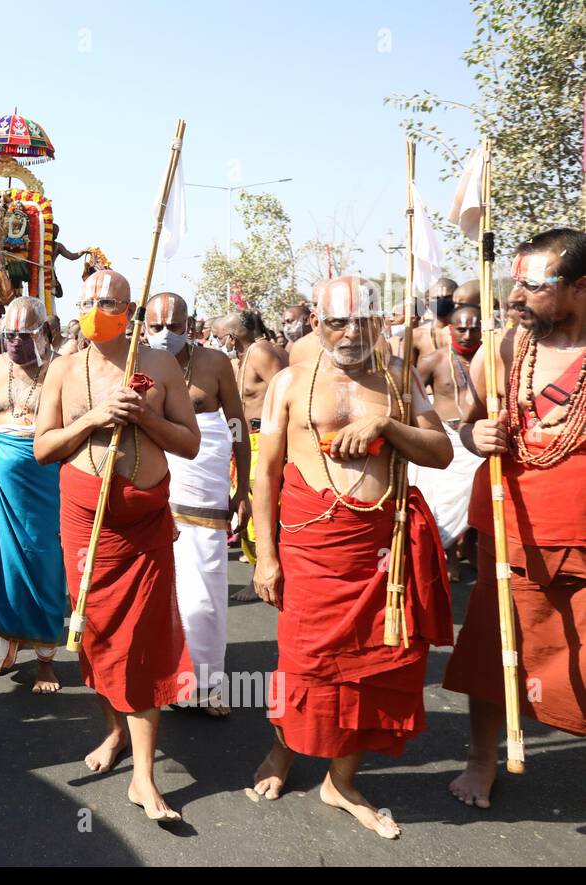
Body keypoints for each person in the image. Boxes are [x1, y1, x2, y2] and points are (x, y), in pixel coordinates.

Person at [250, 275, 453, 839]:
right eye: (336, 321)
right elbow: (265, 473)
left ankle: (340, 780)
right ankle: (285, 749)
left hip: (381, 552)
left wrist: (388, 424)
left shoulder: (398, 379)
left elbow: (440, 451)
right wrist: (266, 556)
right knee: (305, 661)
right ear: (316, 322)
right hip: (313, 546)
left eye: (360, 319)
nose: (348, 333)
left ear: (378, 321)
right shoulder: (289, 383)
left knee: (374, 665)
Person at [34, 269, 200, 822]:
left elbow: (192, 443)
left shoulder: (158, 365)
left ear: (129, 309)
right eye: (85, 301)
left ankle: (144, 778)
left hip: (145, 522)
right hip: (86, 520)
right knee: (98, 636)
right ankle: (114, 733)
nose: (93, 308)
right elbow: (43, 448)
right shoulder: (63, 368)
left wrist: (145, 417)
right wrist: (91, 419)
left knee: (144, 642)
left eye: (106, 301)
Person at [444, 229, 586, 808]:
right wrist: (473, 435)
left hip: (579, 531)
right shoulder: (501, 351)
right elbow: (464, 425)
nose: (514, 297)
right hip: (510, 529)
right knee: (495, 648)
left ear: (580, 286)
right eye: (514, 283)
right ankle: (483, 758)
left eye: (532, 284)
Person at [145, 293, 249, 715]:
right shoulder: (137, 361)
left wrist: (243, 489)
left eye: (174, 326)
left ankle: (206, 683)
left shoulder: (214, 364)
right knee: (156, 591)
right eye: (155, 326)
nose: (165, 334)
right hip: (153, 491)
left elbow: (237, 424)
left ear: (192, 326)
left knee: (203, 595)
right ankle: (158, 678)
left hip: (204, 496)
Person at [0, 296, 66, 692]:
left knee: (44, 563)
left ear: (44, 333)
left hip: (44, 483)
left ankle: (45, 660)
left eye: (23, 336)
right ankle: (6, 637)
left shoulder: (62, 368)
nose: (14, 344)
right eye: (8, 336)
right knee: (0, 562)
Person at [412, 304, 485, 579]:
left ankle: (472, 550)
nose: (467, 335)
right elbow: (413, 399)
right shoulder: (434, 360)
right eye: (461, 328)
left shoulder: (490, 358)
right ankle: (448, 558)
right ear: (450, 329)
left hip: (477, 439)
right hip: (446, 440)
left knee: (476, 499)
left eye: (474, 328)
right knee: (443, 503)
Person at [217, 311, 287, 577]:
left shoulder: (260, 352)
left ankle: (263, 569)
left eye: (222, 337)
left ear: (233, 338)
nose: (220, 342)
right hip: (248, 441)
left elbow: (283, 392)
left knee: (257, 507)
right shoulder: (250, 355)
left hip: (262, 441)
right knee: (249, 504)